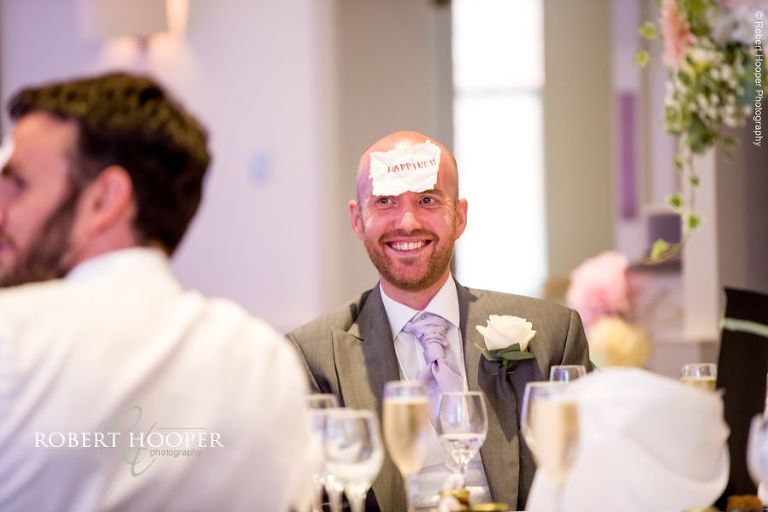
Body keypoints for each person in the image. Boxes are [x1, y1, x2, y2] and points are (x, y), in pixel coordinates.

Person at [0, 72, 316, 511]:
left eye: (17, 184)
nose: (3, 208)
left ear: (104, 200)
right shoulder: (264, 360)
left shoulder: (13, 338)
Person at [288, 130, 590, 511]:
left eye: (427, 200)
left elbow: (594, 474)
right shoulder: (312, 356)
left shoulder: (553, 336)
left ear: (459, 216)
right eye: (385, 202)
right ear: (358, 219)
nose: (408, 222)